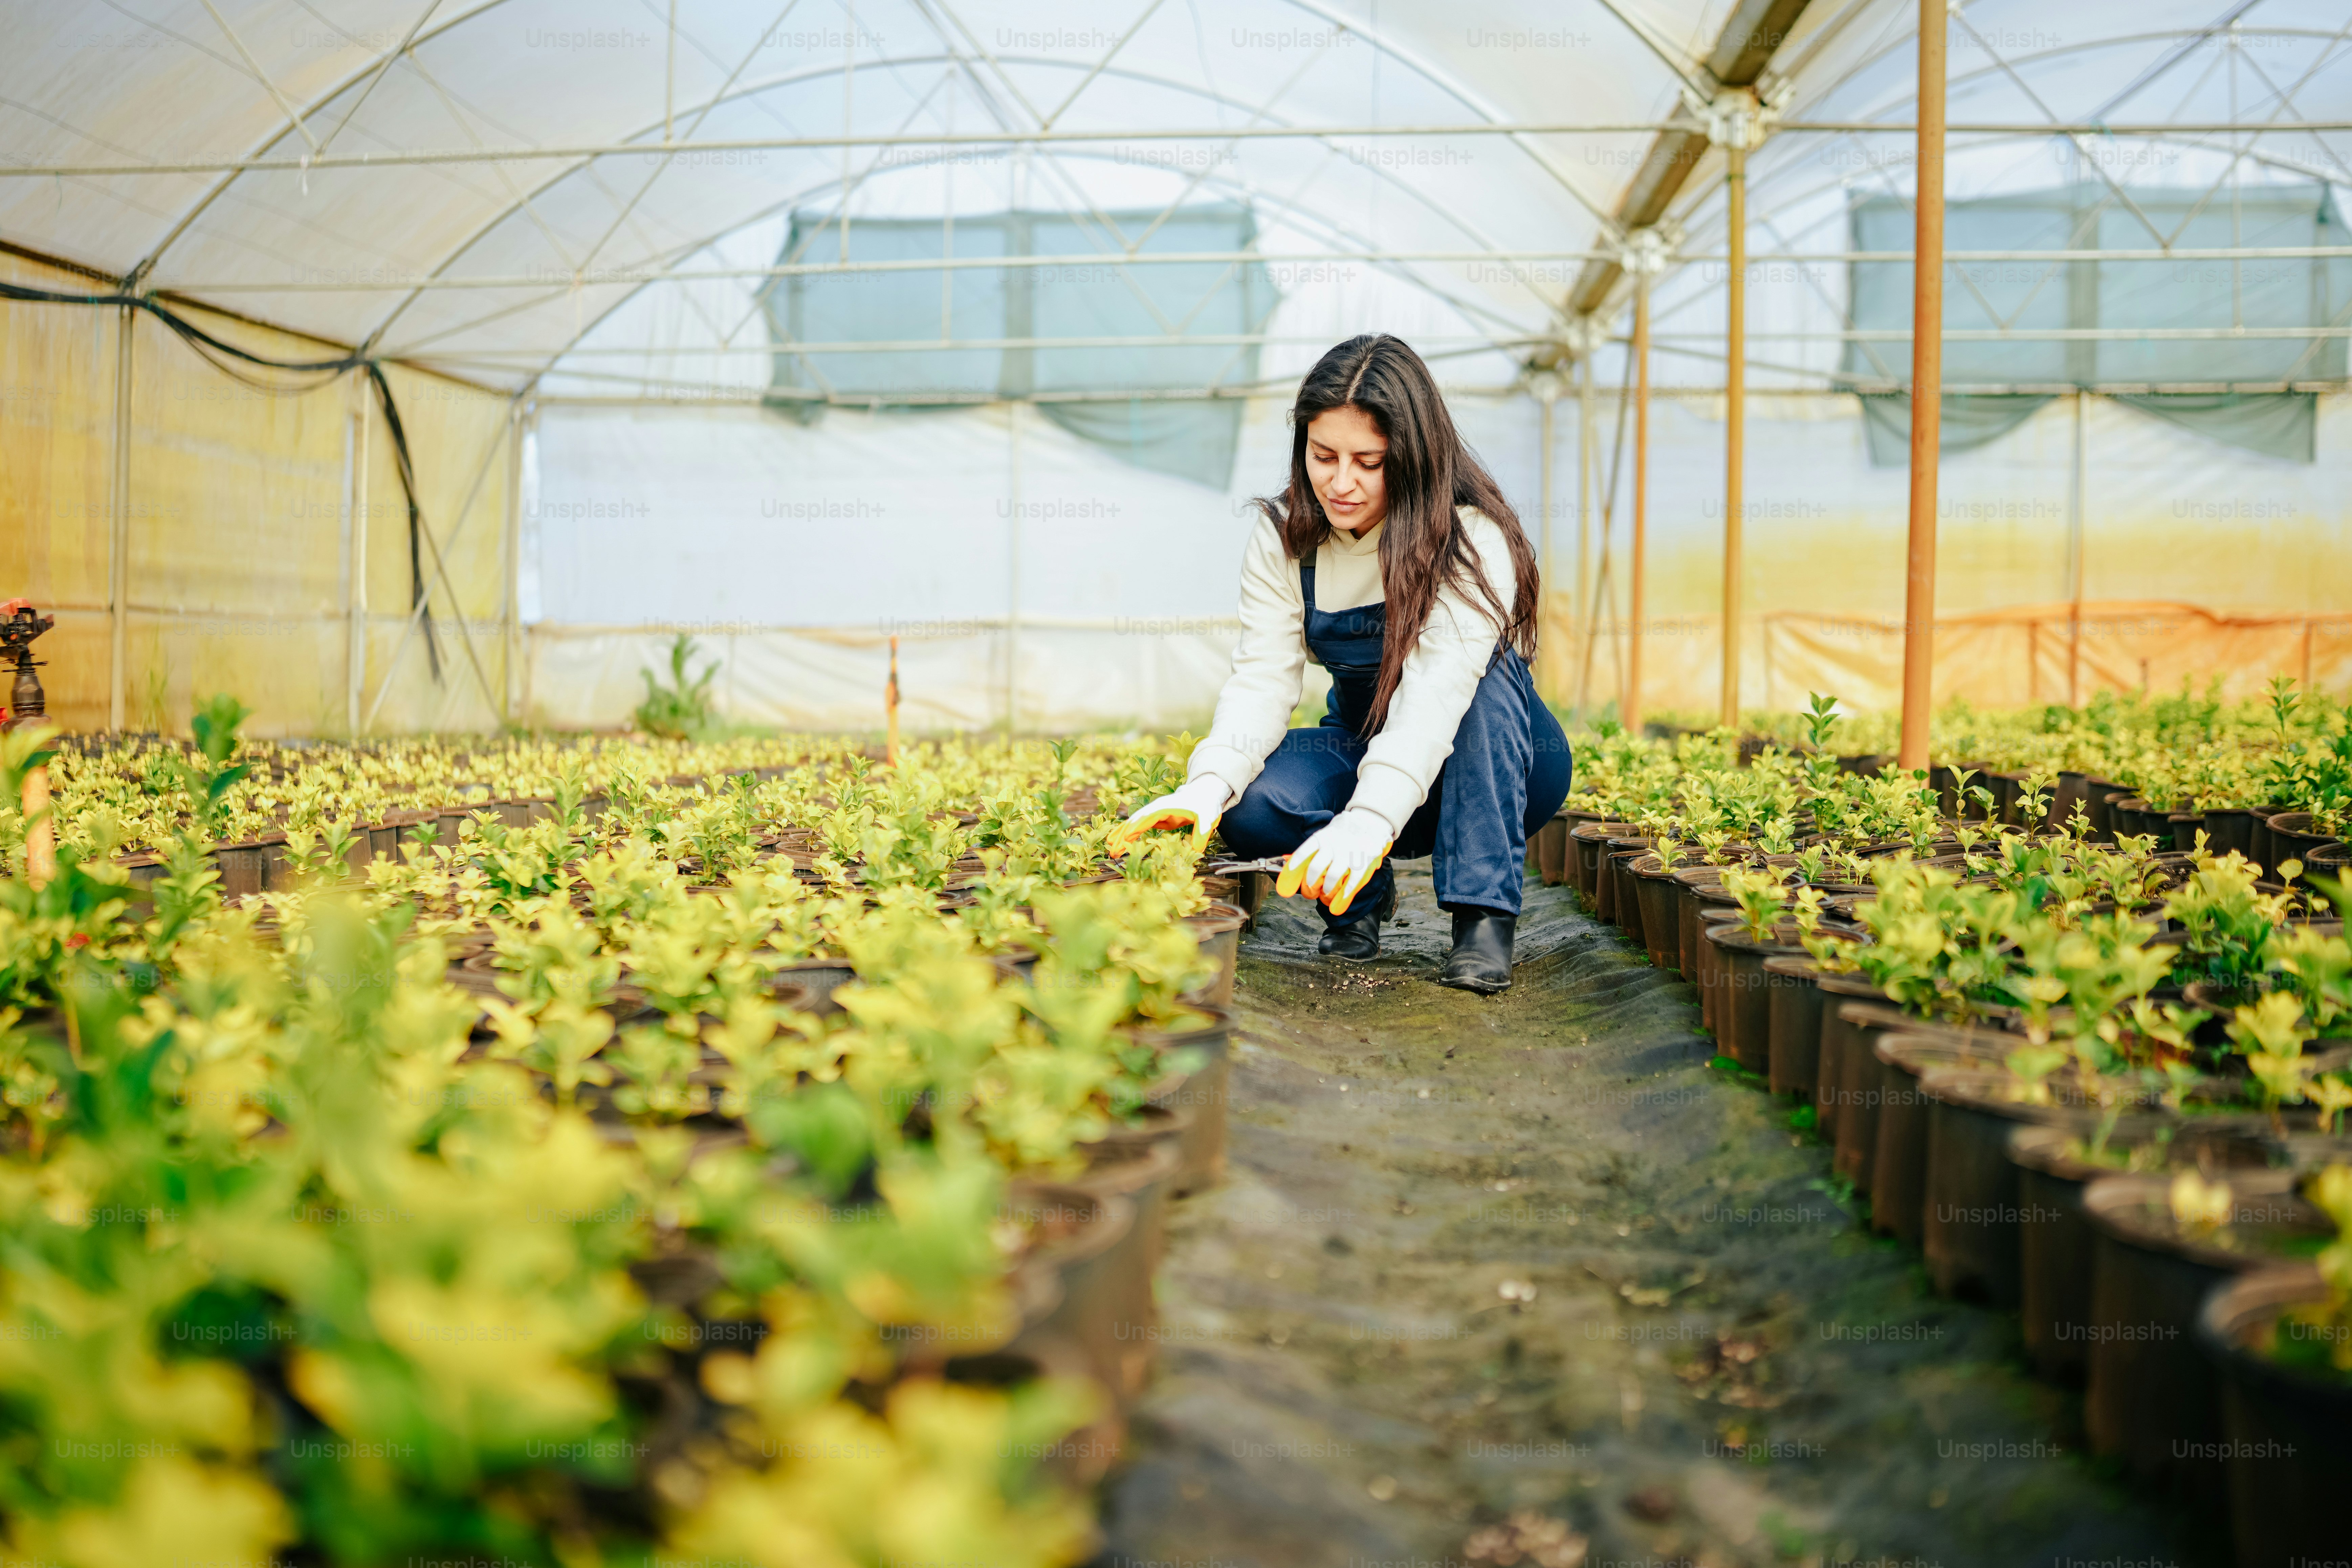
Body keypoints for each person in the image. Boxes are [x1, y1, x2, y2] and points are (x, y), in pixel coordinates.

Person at [1111, 334, 1571, 993]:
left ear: (1411, 459)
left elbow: (1437, 693)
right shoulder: (1286, 540)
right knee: (1254, 806)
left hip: (1504, 763)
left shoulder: (1471, 538)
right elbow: (1263, 678)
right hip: (1365, 744)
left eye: (1368, 461)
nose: (1341, 481)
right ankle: (1358, 893)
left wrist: (1369, 818)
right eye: (1323, 456)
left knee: (1481, 688)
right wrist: (1205, 788)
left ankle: (1482, 919)